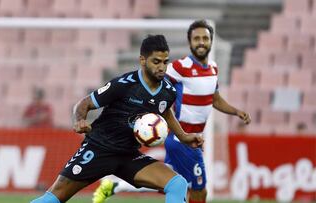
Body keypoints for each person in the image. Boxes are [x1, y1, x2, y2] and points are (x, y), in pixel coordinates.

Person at [30, 34, 204, 203]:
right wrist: (79, 121)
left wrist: (183, 136)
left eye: (165, 62)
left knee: (177, 184)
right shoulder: (123, 85)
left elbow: (165, 110)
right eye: (156, 62)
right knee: (56, 196)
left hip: (128, 156)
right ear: (143, 60)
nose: (162, 67)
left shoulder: (168, 90)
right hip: (100, 149)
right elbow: (84, 104)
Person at [92, 20, 251, 203]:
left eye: (205, 38)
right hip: (181, 137)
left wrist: (235, 111)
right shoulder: (179, 67)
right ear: (189, 42)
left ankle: (114, 186)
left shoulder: (213, 68)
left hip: (193, 137)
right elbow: (154, 83)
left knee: (169, 183)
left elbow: (214, 98)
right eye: (196, 38)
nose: (201, 42)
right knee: (199, 191)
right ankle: (114, 185)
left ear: (211, 41)